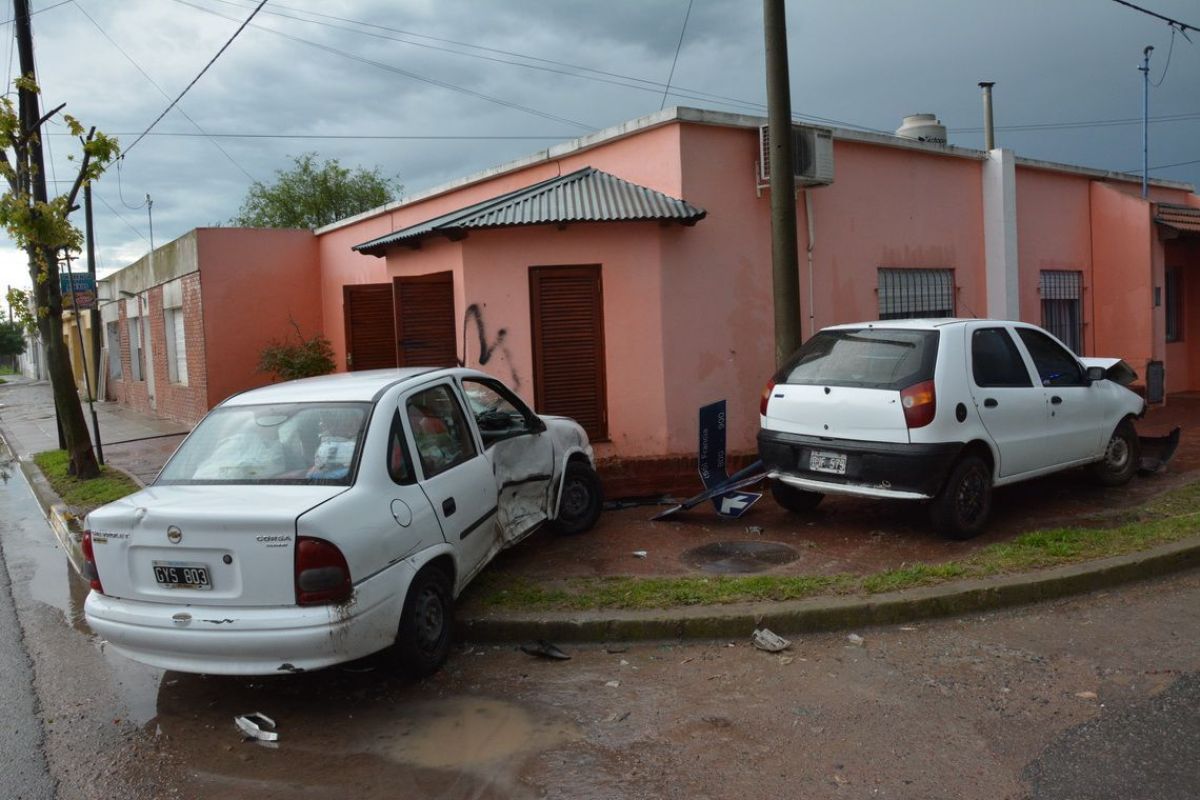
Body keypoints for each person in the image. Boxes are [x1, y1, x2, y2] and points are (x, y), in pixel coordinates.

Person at [306, 411, 361, 480]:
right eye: (321, 421)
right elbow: (320, 465)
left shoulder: (361, 442)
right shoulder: (327, 439)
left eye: (325, 421)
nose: (321, 424)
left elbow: (320, 466)